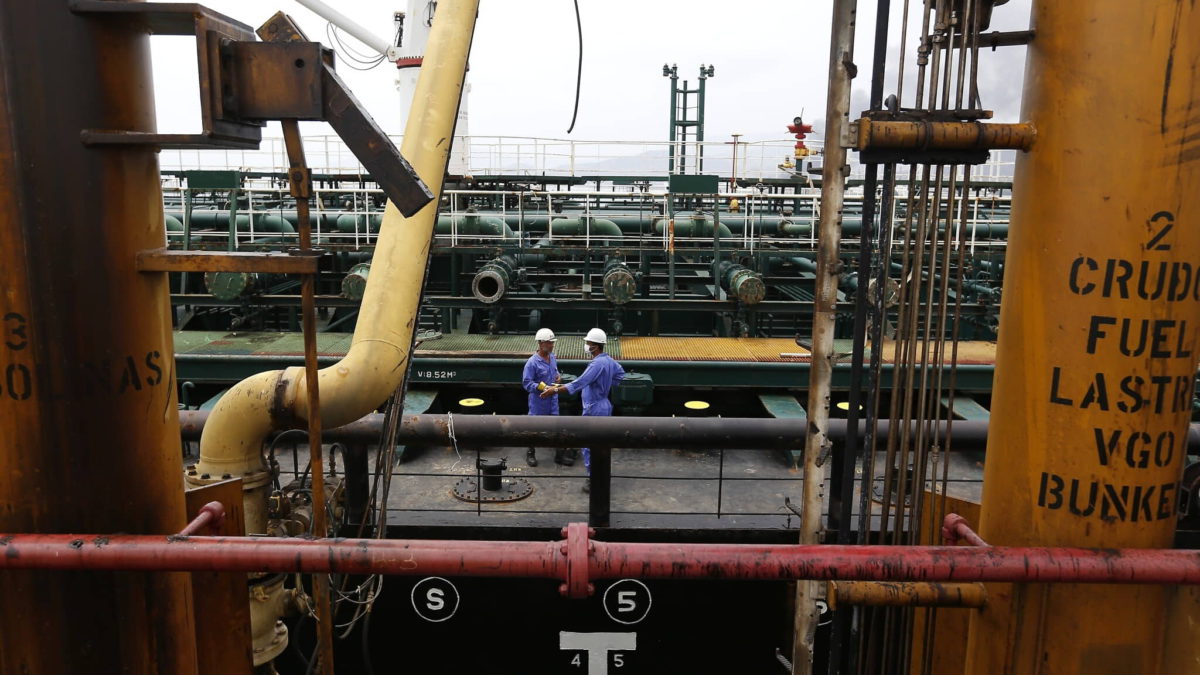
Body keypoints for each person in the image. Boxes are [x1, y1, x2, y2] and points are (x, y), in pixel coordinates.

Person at [542, 327, 624, 492]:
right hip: (604, 404)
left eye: (588, 343)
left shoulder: (596, 364)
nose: (586, 345)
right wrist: (605, 384)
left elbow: (579, 383)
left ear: (595, 346)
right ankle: (601, 476)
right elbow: (620, 374)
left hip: (595, 408)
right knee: (602, 444)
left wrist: (555, 390)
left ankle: (593, 480)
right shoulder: (608, 360)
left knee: (589, 445)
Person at [522, 328, 562, 467]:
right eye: (549, 343)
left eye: (552, 343)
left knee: (556, 426)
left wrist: (558, 378)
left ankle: (559, 454)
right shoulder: (532, 363)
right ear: (540, 343)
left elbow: (555, 372)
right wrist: (542, 387)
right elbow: (527, 383)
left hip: (553, 400)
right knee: (535, 427)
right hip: (539, 401)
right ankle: (530, 452)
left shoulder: (552, 358)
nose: (552, 345)